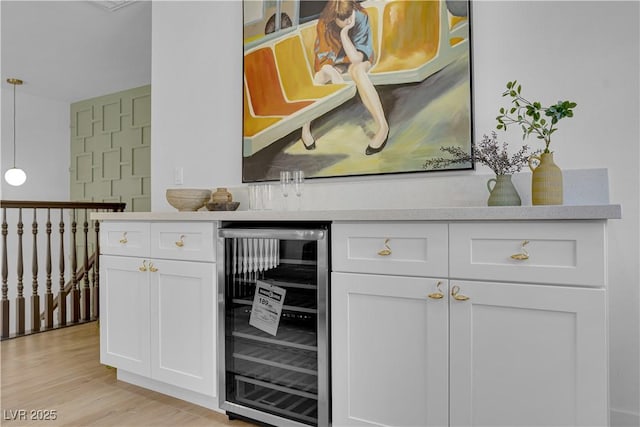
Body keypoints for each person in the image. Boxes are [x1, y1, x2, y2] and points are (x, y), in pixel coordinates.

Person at [301, 0, 389, 155]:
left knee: (357, 70)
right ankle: (305, 130)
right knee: (320, 76)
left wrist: (344, 33)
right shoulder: (324, 24)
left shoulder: (361, 16)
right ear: (334, 17)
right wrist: (329, 68)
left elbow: (358, 58)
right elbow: (322, 57)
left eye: (349, 15)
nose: (349, 20)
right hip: (337, 62)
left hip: (360, 58)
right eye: (343, 18)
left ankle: (383, 127)